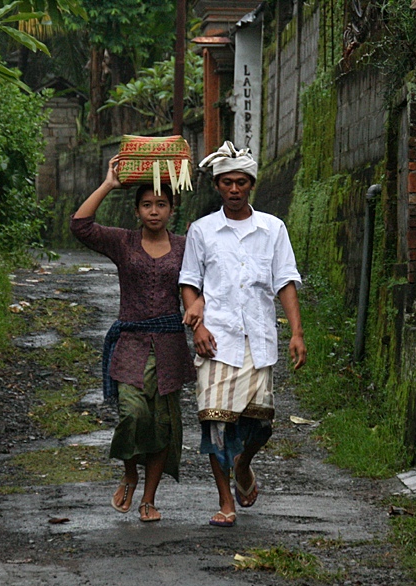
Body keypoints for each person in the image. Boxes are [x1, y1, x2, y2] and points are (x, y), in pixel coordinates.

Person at [179, 141, 307, 528]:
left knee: (261, 422)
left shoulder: (273, 229)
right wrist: (197, 323)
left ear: (251, 184)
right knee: (215, 421)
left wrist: (297, 333)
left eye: (241, 182)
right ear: (217, 187)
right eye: (226, 183)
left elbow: (284, 281)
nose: (234, 190)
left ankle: (244, 464)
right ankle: (225, 502)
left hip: (258, 339)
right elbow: (189, 281)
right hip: (216, 340)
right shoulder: (202, 231)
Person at [70, 155, 196, 523]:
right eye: (146, 205)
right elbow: (80, 225)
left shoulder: (186, 246)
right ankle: (129, 472)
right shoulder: (123, 242)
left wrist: (198, 305)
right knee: (132, 415)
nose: (153, 211)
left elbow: (204, 281)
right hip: (131, 343)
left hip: (170, 345)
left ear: (172, 209)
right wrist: (109, 183)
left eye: (160, 204)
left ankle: (149, 498)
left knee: (162, 425)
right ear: (137, 210)